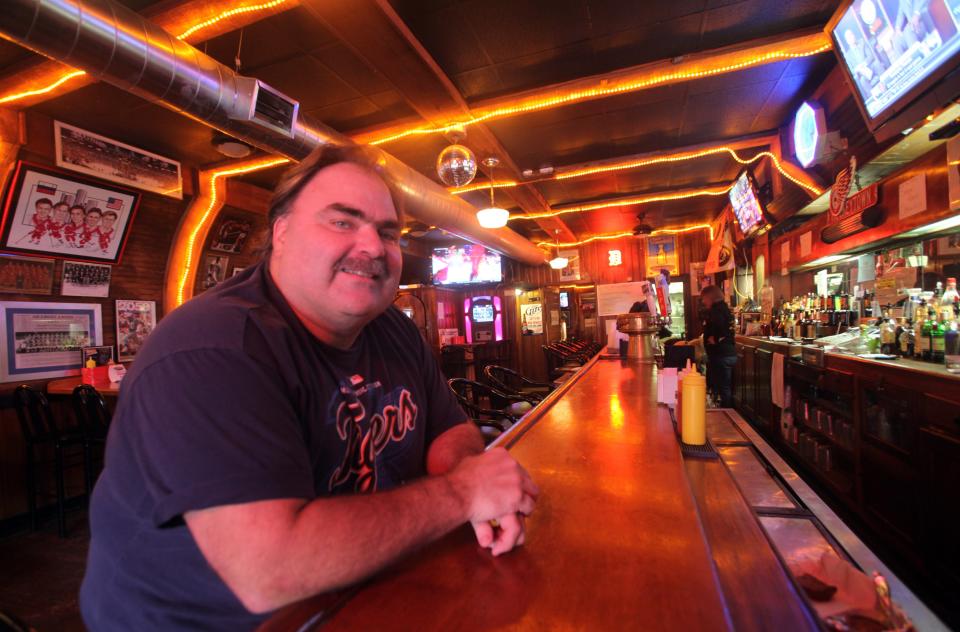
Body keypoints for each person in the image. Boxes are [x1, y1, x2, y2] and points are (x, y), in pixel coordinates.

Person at [79, 145, 539, 630]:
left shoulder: (392, 330)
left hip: (355, 590)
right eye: (343, 222)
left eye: (387, 232)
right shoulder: (214, 347)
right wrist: (463, 495)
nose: (372, 247)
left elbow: (449, 428)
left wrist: (475, 485)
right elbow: (269, 570)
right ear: (281, 233)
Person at [700, 285, 737, 408]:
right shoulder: (725, 308)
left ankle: (726, 413)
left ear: (710, 297)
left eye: (704, 298)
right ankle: (726, 411)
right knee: (725, 386)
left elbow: (721, 329)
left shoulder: (716, 311)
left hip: (721, 354)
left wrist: (714, 339)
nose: (703, 301)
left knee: (722, 387)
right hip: (728, 353)